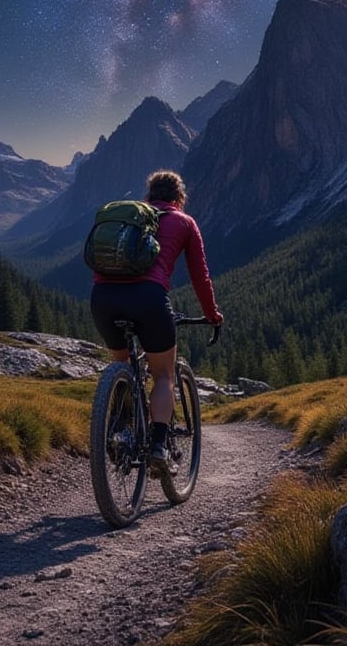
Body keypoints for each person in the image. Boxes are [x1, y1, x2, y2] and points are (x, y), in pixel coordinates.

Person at [89, 170, 224, 474]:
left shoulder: (128, 218)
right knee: (163, 376)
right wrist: (213, 315)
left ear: (148, 196)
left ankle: (119, 429)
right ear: (180, 198)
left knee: (121, 362)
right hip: (149, 299)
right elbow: (200, 277)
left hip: (102, 298)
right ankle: (159, 447)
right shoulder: (185, 222)